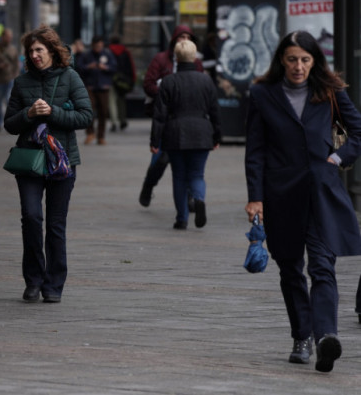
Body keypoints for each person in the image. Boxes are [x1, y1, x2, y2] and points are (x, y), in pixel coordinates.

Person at [244, 30, 361, 373]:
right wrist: (255, 198)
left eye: (305, 60)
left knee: (323, 265)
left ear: (315, 61)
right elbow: (256, 151)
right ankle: (302, 337)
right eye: (292, 59)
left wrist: (337, 159)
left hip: (321, 191)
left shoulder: (330, 90)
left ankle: (327, 336)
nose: (299, 66)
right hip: (281, 194)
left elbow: (358, 133)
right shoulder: (262, 93)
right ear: (282, 59)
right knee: (291, 268)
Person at [4, 25, 93, 303]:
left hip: (61, 161)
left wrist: (53, 112)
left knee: (55, 224)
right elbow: (8, 124)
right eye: (31, 51)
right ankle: (33, 280)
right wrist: (29, 114)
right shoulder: (21, 82)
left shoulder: (70, 77)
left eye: (39, 50)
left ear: (52, 51)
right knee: (31, 218)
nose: (34, 55)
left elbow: (85, 116)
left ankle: (54, 284)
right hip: (30, 160)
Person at [150, 39, 220, 230]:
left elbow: (160, 115)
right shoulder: (206, 80)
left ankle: (182, 218)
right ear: (194, 56)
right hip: (201, 131)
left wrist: (155, 140)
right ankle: (198, 198)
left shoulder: (168, 82)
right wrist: (217, 136)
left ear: (176, 58)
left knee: (179, 176)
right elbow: (215, 110)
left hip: (175, 133)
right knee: (197, 174)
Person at [139, 25, 203, 207]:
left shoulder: (196, 63)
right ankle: (149, 186)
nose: (184, 40)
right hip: (165, 116)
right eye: (181, 37)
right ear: (174, 39)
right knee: (160, 158)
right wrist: (167, 94)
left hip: (189, 117)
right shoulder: (161, 59)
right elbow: (148, 83)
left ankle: (190, 197)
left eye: (187, 37)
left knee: (190, 160)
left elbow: (201, 88)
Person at [76, 35, 116, 145]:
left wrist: (106, 68)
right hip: (90, 87)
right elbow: (79, 68)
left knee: (103, 112)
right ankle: (90, 133)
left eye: (100, 46)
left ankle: (101, 136)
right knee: (89, 110)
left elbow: (114, 67)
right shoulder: (86, 55)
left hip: (104, 87)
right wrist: (89, 67)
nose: (98, 48)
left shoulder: (107, 54)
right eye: (96, 46)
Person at [0, 28, 20, 129]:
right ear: (3, 37)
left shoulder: (13, 49)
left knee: (9, 101)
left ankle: (10, 121)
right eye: (7, 37)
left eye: (10, 37)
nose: (9, 39)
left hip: (10, 79)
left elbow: (16, 64)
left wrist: (16, 76)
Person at [107, 35, 136, 132]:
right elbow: (131, 66)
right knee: (122, 100)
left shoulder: (108, 51)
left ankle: (114, 122)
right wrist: (132, 80)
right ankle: (122, 120)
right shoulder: (125, 51)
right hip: (123, 80)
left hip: (111, 78)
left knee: (112, 101)